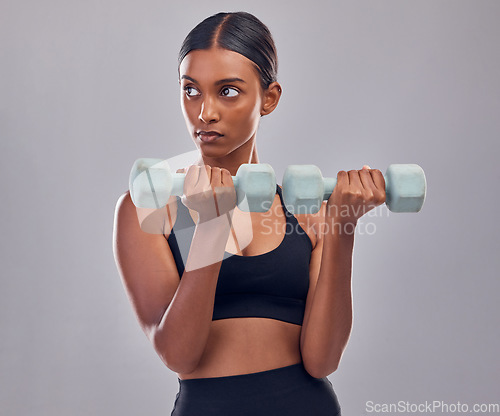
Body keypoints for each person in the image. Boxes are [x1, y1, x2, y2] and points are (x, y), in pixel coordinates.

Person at [113, 11, 386, 416]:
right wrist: (210, 229)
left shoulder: (307, 212)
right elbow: (179, 355)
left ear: (269, 98)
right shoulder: (148, 206)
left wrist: (341, 229)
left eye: (227, 91)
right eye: (191, 91)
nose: (205, 112)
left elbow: (322, 361)